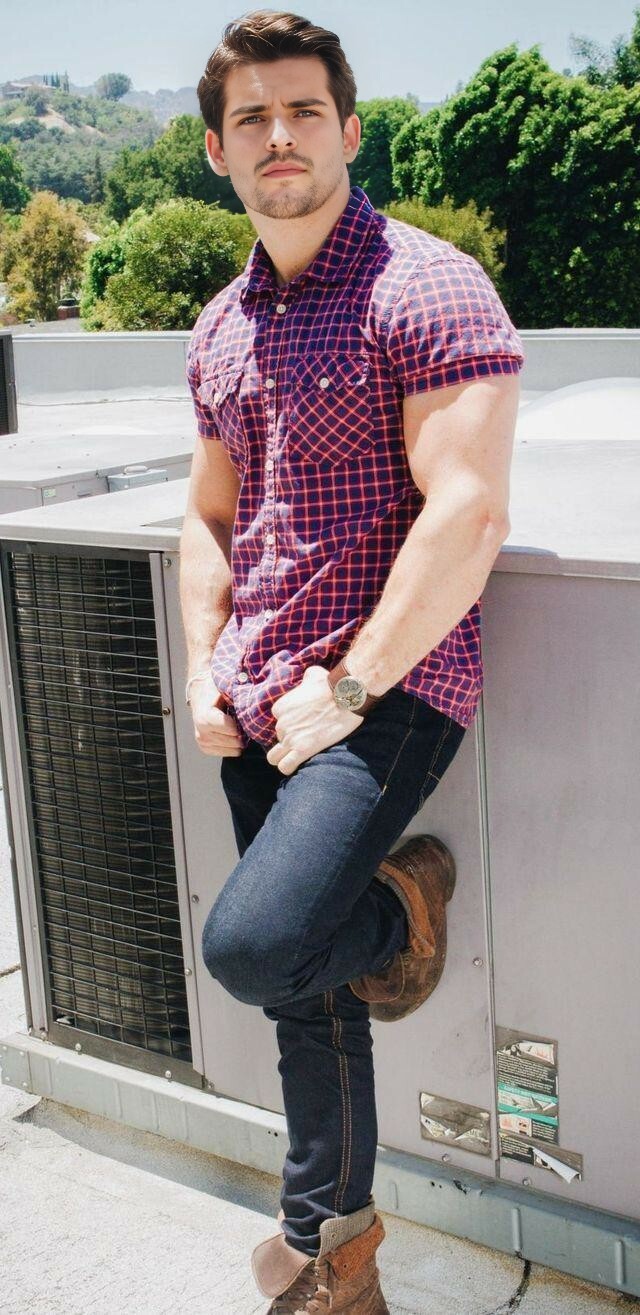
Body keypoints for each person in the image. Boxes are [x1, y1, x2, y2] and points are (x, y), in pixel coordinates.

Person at [180, 11, 524, 1312]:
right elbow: (208, 516)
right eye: (253, 117)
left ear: (349, 131)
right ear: (218, 150)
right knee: (304, 1002)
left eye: (304, 111)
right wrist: (203, 668)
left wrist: (351, 689)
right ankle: (337, 1248)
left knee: (261, 948)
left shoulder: (425, 286)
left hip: (385, 689)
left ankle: (402, 911)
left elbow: (468, 513)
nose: (281, 135)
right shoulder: (220, 326)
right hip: (261, 695)